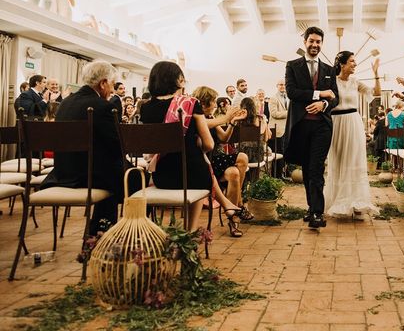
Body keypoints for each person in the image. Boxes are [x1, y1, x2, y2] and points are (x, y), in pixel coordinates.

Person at [140, 61, 242, 234]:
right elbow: (209, 144)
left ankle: (223, 207)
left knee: (199, 168)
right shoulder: (190, 103)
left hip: (161, 177)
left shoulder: (145, 108)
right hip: (193, 177)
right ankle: (191, 230)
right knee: (200, 170)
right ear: (178, 80)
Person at [39, 61, 129, 235]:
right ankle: (121, 236)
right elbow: (118, 146)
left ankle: (98, 235)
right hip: (88, 176)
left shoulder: (65, 103)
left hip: (62, 173)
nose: (112, 90)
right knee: (135, 179)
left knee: (116, 173)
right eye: (111, 85)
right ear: (103, 83)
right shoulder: (103, 106)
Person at [284, 26, 338, 229]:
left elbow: (335, 97)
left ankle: (317, 212)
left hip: (322, 127)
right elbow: (292, 92)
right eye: (311, 41)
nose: (315, 45)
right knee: (307, 169)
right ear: (305, 42)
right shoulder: (292, 65)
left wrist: (324, 104)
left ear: (322, 44)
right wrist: (319, 95)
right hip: (301, 125)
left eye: (318, 42)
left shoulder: (329, 70)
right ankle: (311, 207)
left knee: (316, 168)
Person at [324, 52, 380, 220]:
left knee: (355, 161)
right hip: (336, 123)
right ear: (342, 64)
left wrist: (376, 74)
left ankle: (357, 202)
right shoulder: (331, 82)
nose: (355, 64)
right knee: (338, 160)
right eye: (352, 61)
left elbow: (376, 93)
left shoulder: (356, 82)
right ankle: (337, 200)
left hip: (354, 123)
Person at [191, 86, 252, 228]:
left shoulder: (211, 117)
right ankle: (239, 206)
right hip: (204, 162)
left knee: (235, 171)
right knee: (241, 157)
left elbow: (224, 138)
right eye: (213, 101)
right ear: (205, 102)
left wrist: (232, 122)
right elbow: (205, 128)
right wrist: (225, 117)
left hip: (216, 159)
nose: (215, 104)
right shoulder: (195, 118)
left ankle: (235, 211)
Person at [269, 79, 289, 178]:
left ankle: (283, 174)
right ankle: (275, 176)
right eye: (280, 84)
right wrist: (289, 113)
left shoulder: (288, 97)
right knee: (277, 153)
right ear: (277, 86)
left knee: (284, 152)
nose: (282, 86)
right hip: (276, 131)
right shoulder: (273, 98)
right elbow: (274, 113)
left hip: (286, 129)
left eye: (284, 85)